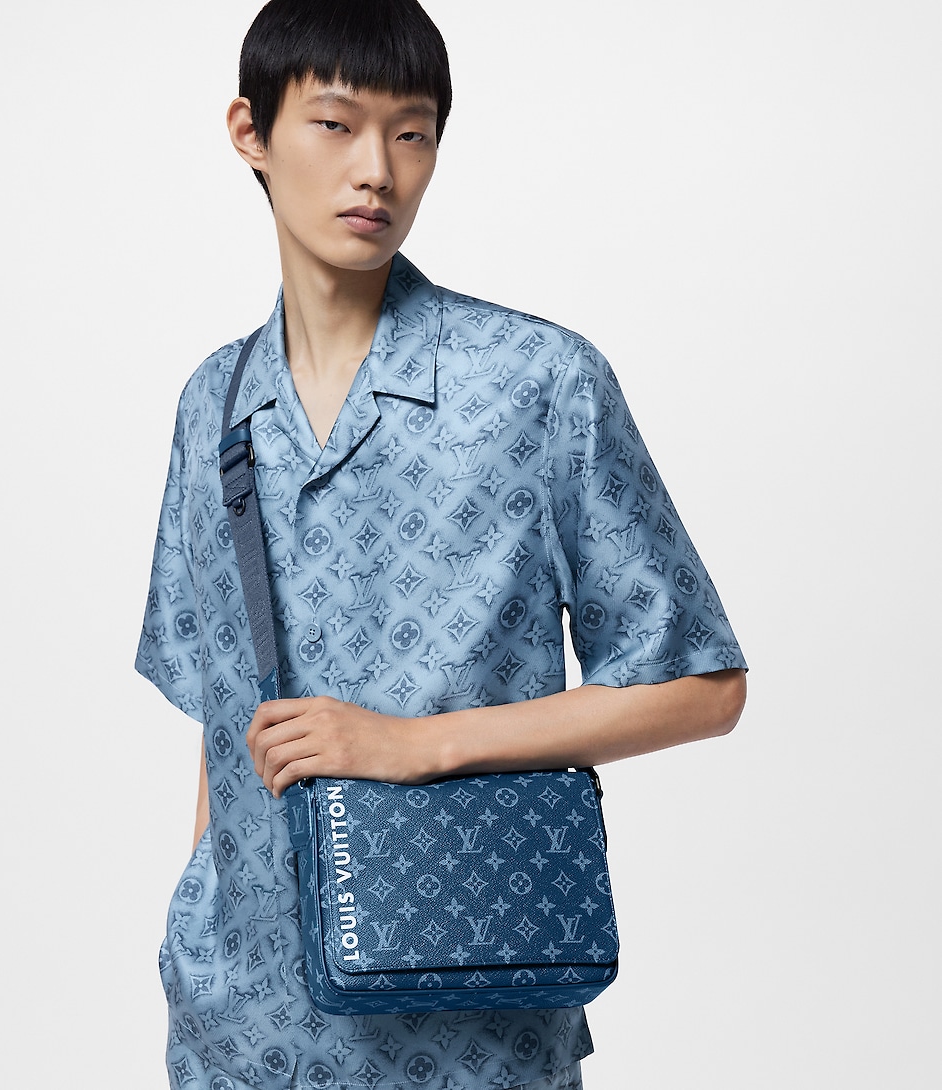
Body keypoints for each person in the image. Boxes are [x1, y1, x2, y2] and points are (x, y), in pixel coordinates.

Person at [135, 1, 748, 1087]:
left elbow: (701, 686)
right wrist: (193, 946)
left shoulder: (539, 382)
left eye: (411, 133)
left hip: (471, 1034)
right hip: (242, 1033)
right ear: (251, 133)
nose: (376, 170)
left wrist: (412, 744)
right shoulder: (211, 404)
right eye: (335, 124)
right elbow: (229, 721)